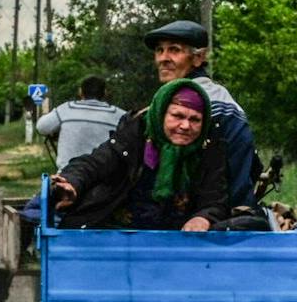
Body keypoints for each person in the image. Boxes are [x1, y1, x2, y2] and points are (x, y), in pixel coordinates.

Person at [49, 80, 228, 231]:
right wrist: (71, 181)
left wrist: (203, 218)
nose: (186, 125)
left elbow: (215, 198)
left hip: (179, 243)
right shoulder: (134, 136)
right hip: (121, 235)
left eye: (195, 119)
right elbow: (94, 164)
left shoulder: (209, 148)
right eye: (177, 116)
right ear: (160, 114)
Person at [142, 19, 260, 214]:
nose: (163, 58)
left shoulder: (201, 108)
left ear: (198, 58)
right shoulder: (221, 98)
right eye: (159, 50)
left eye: (174, 50)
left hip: (211, 221)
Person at [35, 75, 123, 168]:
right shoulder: (118, 115)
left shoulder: (67, 109)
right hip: (105, 175)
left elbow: (41, 127)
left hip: (68, 175)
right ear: (105, 93)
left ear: (80, 92)